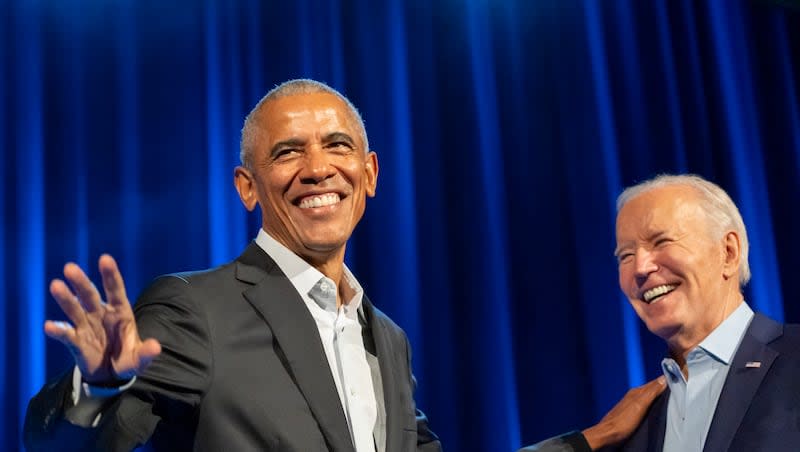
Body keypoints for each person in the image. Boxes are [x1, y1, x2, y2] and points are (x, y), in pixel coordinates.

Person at [23, 79, 441, 451]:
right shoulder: (194, 310)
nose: (317, 169)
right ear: (247, 188)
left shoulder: (387, 337)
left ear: (368, 173)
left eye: (337, 145)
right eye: (288, 152)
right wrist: (99, 389)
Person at [611, 174, 800, 451]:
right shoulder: (632, 427)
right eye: (626, 255)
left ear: (728, 252)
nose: (640, 268)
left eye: (661, 242)